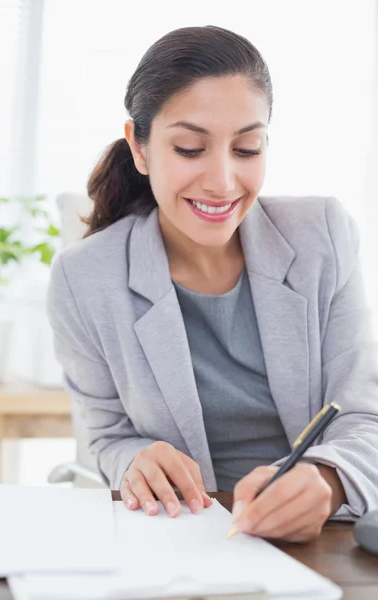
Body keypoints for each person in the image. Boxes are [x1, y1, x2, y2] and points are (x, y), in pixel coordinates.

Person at [47, 25, 378, 543]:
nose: (223, 182)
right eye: (188, 148)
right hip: (179, 540)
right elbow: (106, 437)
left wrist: (328, 479)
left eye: (247, 149)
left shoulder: (324, 237)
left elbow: (364, 416)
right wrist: (136, 458)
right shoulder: (82, 278)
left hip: (321, 542)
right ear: (139, 145)